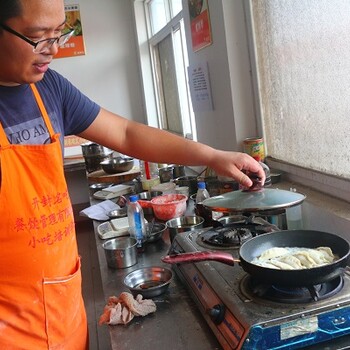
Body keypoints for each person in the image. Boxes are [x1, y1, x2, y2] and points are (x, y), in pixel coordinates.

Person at [0, 0, 265, 348]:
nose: (52, 49)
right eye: (38, 36)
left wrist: (212, 156)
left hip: (61, 311)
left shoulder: (49, 88)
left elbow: (125, 133)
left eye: (59, 33)